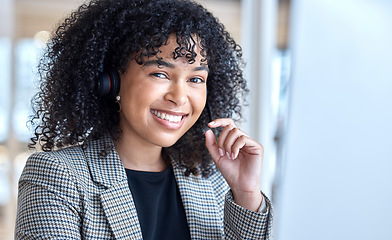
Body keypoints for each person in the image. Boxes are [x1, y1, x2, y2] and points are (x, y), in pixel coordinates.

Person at [15, 0, 273, 239]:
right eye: (160, 74)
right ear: (111, 82)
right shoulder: (57, 176)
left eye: (195, 79)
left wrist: (246, 193)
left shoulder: (213, 180)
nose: (180, 97)